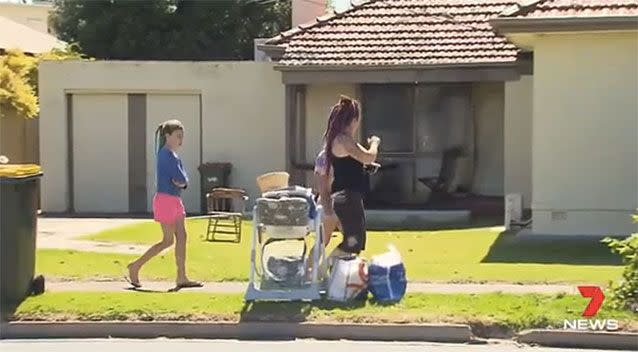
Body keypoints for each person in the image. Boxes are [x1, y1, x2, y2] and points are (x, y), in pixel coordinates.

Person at [126, 119, 202, 289]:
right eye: (177, 136)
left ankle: (181, 277)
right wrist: (181, 181)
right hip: (165, 200)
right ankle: (135, 266)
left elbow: (183, 179)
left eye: (182, 137)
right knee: (168, 240)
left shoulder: (175, 156)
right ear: (167, 136)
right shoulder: (165, 155)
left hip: (175, 200)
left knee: (182, 236)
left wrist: (182, 182)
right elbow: (178, 178)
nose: (180, 140)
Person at [323, 95, 380, 259]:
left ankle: (332, 274)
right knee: (353, 243)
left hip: (348, 197)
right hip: (346, 198)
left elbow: (359, 161)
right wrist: (375, 143)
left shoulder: (342, 140)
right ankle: (325, 270)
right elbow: (369, 156)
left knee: (354, 242)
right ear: (353, 120)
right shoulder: (343, 140)